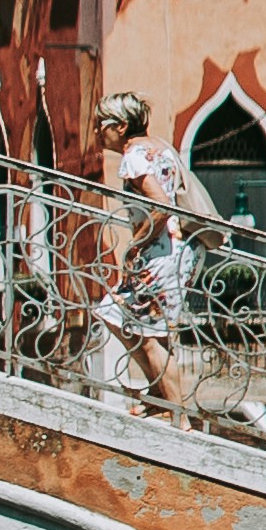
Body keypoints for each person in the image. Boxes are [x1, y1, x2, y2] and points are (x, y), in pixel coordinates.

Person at [92, 92, 192, 418]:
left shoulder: (134, 156)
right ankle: (158, 396)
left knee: (149, 337)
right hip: (173, 251)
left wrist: (134, 245)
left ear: (120, 127)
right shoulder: (160, 148)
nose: (96, 131)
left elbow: (160, 206)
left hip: (159, 254)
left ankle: (180, 418)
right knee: (115, 313)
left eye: (100, 125)